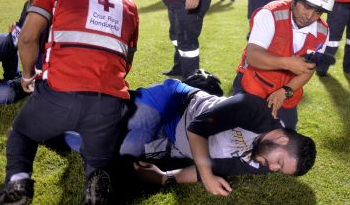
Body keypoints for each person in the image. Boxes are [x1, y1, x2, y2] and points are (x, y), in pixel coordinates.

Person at [0, 0, 139, 204]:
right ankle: (97, 184)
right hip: (108, 104)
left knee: (22, 134)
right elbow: (126, 62)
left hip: (59, 94)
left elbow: (27, 38)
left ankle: (19, 184)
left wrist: (27, 76)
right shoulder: (129, 5)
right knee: (99, 164)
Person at [63, 77, 316, 197]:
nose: (272, 168)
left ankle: (58, 134)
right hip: (175, 103)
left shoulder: (262, 161)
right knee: (124, 121)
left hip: (171, 143)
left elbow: (215, 167)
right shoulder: (255, 110)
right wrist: (207, 178)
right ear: (282, 140)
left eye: (279, 170)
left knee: (123, 149)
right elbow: (198, 129)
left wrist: (166, 178)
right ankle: (65, 104)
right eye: (279, 162)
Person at [232, 0, 335, 130]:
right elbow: (252, 56)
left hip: (287, 92)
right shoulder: (270, 13)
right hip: (253, 84)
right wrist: (288, 63)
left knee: (285, 139)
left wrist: (285, 92)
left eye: (318, 12)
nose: (309, 16)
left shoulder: (322, 30)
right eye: (306, 7)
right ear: (295, 0)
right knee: (241, 135)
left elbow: (308, 69)